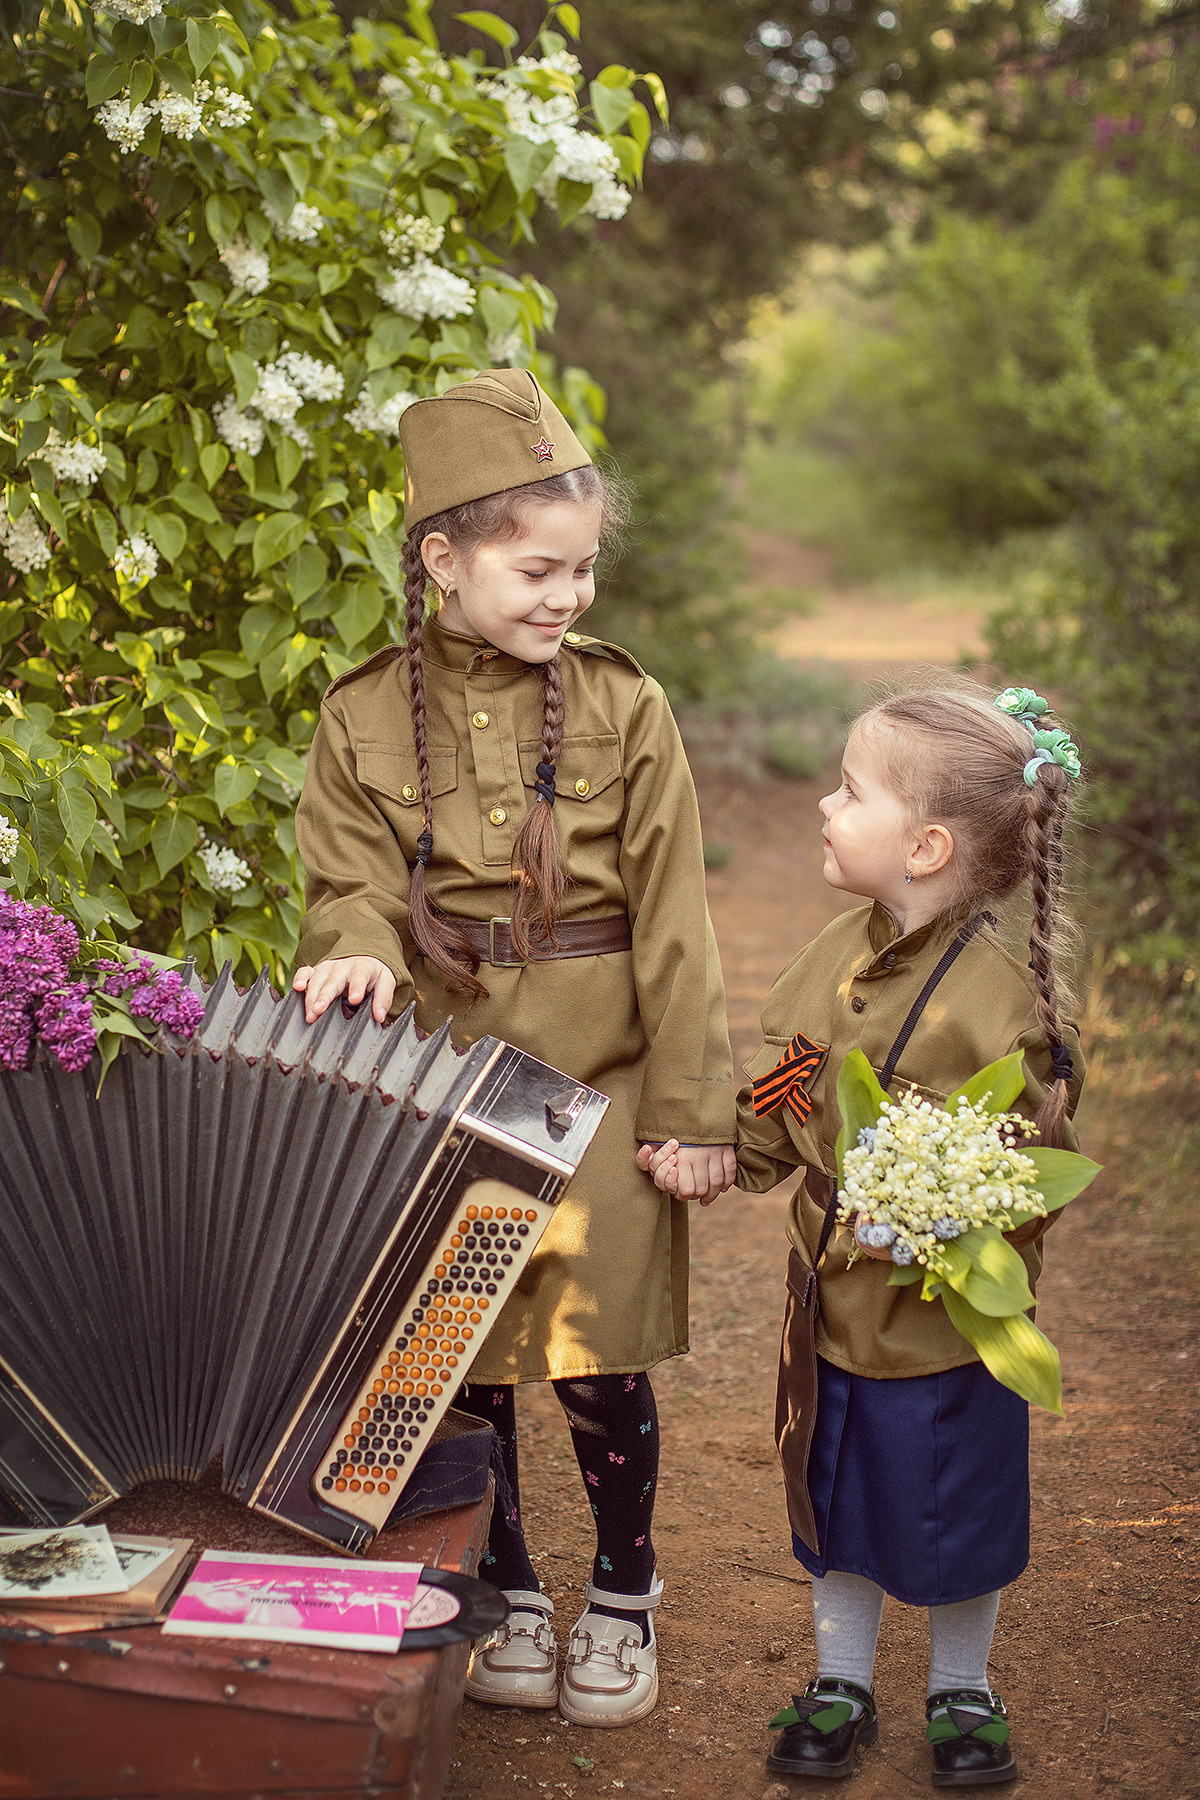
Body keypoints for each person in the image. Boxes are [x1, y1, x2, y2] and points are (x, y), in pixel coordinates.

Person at [293, 369, 737, 1727]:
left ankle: (624, 1592)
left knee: (599, 1356)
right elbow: (347, 881)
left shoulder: (625, 705)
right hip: (446, 1078)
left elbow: (677, 921)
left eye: (581, 570)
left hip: (600, 1081)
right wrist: (356, 943)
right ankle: (515, 1590)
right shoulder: (361, 713)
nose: (566, 597)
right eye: (536, 570)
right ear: (444, 558)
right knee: (464, 1356)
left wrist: (692, 1107)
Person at [641, 679, 1086, 1785]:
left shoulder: (1001, 1005)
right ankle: (841, 1681)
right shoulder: (837, 961)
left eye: (850, 792)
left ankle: (962, 1690)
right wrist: (725, 1153)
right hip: (831, 1314)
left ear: (926, 847)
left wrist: (947, 1222)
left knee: (957, 1512)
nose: (825, 807)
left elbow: (1032, 1170)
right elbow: (789, 1079)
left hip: (945, 1330)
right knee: (833, 1495)